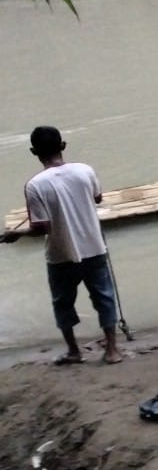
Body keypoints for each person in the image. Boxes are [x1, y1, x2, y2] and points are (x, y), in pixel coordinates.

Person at [0, 127, 123, 365]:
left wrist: (16, 234)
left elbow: (42, 228)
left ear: (34, 151)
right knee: (104, 298)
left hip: (60, 255)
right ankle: (112, 350)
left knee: (63, 303)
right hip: (94, 247)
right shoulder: (85, 170)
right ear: (63, 145)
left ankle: (74, 351)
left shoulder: (35, 185)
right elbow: (97, 198)